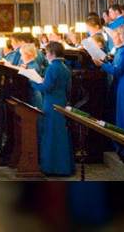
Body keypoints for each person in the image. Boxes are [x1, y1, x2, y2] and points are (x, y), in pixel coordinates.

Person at [30, 41, 75, 176]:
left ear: (53, 53)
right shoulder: (65, 68)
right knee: (60, 133)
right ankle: (64, 167)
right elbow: (68, 88)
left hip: (50, 103)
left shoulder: (51, 68)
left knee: (50, 133)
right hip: (61, 101)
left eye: (47, 53)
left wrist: (34, 82)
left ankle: (51, 166)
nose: (46, 55)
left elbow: (45, 88)